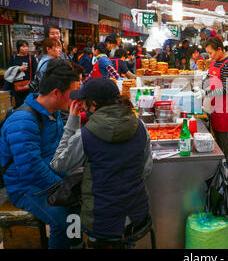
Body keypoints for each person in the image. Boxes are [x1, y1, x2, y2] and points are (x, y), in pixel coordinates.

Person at [50, 77, 152, 247]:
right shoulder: (140, 126)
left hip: (100, 222)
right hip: (136, 216)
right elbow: (146, 169)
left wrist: (72, 123)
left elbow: (58, 164)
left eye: (83, 102)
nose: (81, 106)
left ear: (94, 105)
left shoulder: (86, 135)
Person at [0, 59, 83, 248]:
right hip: (25, 187)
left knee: (81, 204)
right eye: (72, 93)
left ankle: (75, 243)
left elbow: (64, 147)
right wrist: (63, 187)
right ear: (56, 93)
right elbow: (31, 169)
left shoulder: (52, 113)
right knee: (61, 220)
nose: (75, 98)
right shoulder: (23, 121)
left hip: (51, 178)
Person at [194, 37, 228, 165]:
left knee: (223, 139)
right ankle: (218, 166)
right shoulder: (214, 62)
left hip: (224, 108)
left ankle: (225, 168)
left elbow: (227, 88)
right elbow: (210, 79)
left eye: (211, 53)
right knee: (217, 138)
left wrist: (206, 93)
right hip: (214, 106)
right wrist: (202, 87)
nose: (210, 56)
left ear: (219, 49)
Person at [4, 40, 38, 108]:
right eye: (23, 46)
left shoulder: (31, 58)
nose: (26, 48)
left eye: (27, 46)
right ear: (18, 48)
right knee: (18, 104)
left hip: (28, 85)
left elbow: (36, 71)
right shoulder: (13, 58)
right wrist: (18, 69)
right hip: (16, 85)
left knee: (29, 103)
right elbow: (9, 70)